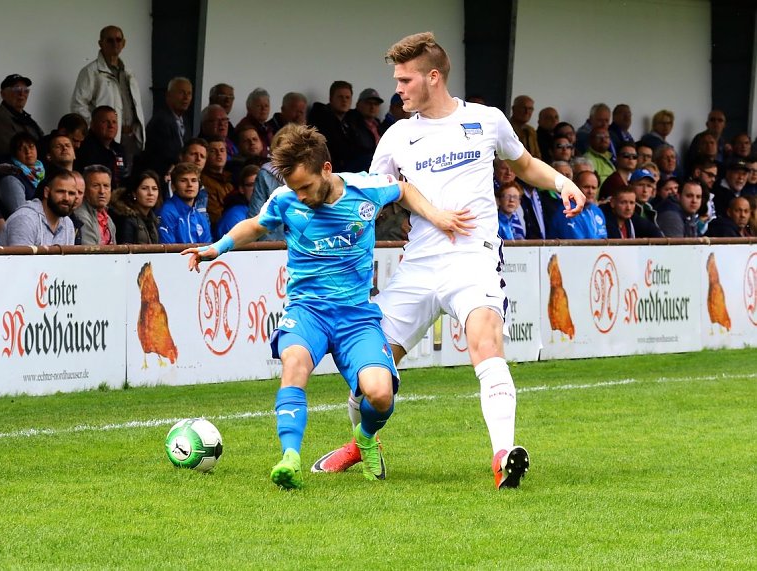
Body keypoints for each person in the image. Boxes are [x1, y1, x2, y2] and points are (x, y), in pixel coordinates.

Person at [311, 32, 585, 489]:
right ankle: (361, 444)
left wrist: (562, 183)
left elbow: (525, 164)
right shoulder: (397, 136)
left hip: (473, 260)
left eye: (404, 79)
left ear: (432, 77)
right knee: (369, 376)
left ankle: (503, 455)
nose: (397, 89)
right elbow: (376, 193)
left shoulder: (486, 120)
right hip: (417, 267)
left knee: (486, 343)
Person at [182, 123, 473, 489]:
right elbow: (255, 226)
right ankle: (290, 457)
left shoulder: (365, 189)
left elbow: (403, 188)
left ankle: (366, 436)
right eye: (294, 188)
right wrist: (216, 248)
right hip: (308, 312)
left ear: (326, 169)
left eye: (306, 186)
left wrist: (436, 215)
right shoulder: (285, 200)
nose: (300, 196)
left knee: (380, 393)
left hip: (356, 317)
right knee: (295, 363)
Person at [71, 25, 145, 162]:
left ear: (124, 43)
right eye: (110, 40)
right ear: (100, 43)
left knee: (127, 179)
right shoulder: (90, 72)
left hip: (129, 137)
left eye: (118, 40)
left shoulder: (129, 73)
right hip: (102, 140)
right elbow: (78, 105)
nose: (115, 44)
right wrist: (95, 129)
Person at [0, 167, 77, 246]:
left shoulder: (68, 223)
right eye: (60, 191)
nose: (66, 198)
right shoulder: (25, 220)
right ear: (46, 192)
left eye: (71, 193)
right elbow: (20, 258)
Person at [0, 74, 44, 168]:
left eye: (26, 90)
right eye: (16, 89)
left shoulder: (24, 116)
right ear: (3, 94)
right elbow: (14, 153)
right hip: (15, 171)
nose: (22, 94)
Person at [143, 77, 193, 177]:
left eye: (189, 93)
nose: (186, 98)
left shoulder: (185, 121)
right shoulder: (160, 121)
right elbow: (168, 156)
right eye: (182, 93)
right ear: (168, 95)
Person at [0, 132, 44, 219]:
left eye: (31, 147)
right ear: (15, 154)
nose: (28, 152)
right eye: (22, 149)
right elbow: (22, 215)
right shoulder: (10, 178)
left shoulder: (43, 171)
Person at [307, 80, 357, 172]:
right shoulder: (321, 118)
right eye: (340, 97)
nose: (344, 100)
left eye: (347, 97)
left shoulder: (352, 120)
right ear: (331, 99)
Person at [74, 106, 128, 188]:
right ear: (92, 124)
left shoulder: (119, 149)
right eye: (105, 122)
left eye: (114, 122)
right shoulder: (84, 148)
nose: (111, 126)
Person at [158, 161, 211, 244]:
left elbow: (208, 248)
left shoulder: (199, 217)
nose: (190, 185)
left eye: (194, 180)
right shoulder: (167, 212)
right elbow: (167, 252)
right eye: (183, 180)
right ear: (173, 186)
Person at [548, 170, 607, 239]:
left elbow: (604, 240)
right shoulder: (567, 210)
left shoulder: (597, 210)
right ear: (575, 186)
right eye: (586, 187)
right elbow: (578, 245)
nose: (590, 191)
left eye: (593, 188)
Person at [109, 169, 160, 244]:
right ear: (134, 193)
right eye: (144, 188)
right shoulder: (126, 219)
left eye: (154, 189)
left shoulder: (153, 219)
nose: (150, 193)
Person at [75, 164, 116, 245]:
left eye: (106, 186)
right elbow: (90, 254)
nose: (102, 191)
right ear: (84, 190)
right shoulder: (80, 216)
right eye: (96, 186)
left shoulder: (108, 219)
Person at [216, 163, 260, 237]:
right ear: (241, 189)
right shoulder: (234, 216)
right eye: (251, 185)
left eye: (259, 184)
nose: (256, 188)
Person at [202, 136, 234, 224]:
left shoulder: (229, 180)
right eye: (213, 151)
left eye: (222, 150)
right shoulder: (204, 181)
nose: (219, 154)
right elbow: (214, 215)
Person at [234, 88, 273, 156]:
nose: (263, 109)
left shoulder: (267, 127)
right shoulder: (244, 128)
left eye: (266, 106)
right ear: (248, 108)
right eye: (259, 106)